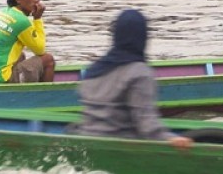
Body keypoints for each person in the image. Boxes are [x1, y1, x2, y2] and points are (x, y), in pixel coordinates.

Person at [76, 9, 192, 150]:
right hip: (120, 149)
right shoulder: (140, 73)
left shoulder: (93, 70)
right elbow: (147, 126)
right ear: (142, 37)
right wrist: (173, 139)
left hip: (86, 144)